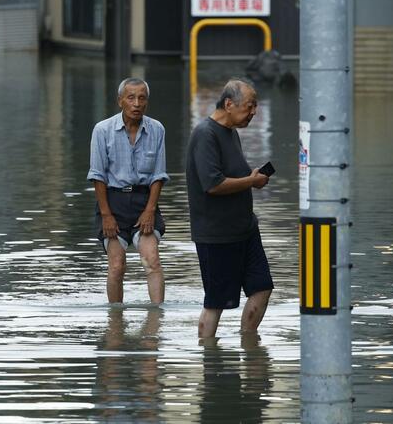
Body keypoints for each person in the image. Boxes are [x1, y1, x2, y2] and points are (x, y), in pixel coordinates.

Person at [186, 78, 273, 338]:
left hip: (245, 229)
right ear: (228, 104)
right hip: (216, 234)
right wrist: (251, 181)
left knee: (262, 288)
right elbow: (212, 184)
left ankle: (248, 343)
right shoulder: (205, 134)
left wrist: (252, 177)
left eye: (255, 106)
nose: (254, 112)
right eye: (249, 106)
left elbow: (234, 174)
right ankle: (210, 361)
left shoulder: (232, 133)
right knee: (216, 303)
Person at [87, 78, 168, 304]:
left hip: (144, 200)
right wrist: (106, 215)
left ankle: (156, 321)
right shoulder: (102, 130)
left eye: (142, 98)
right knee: (116, 265)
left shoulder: (156, 129)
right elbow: (97, 176)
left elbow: (158, 175)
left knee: (151, 260)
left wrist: (150, 210)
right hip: (112, 201)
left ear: (147, 103)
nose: (136, 103)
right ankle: (115, 324)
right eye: (130, 97)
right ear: (120, 101)